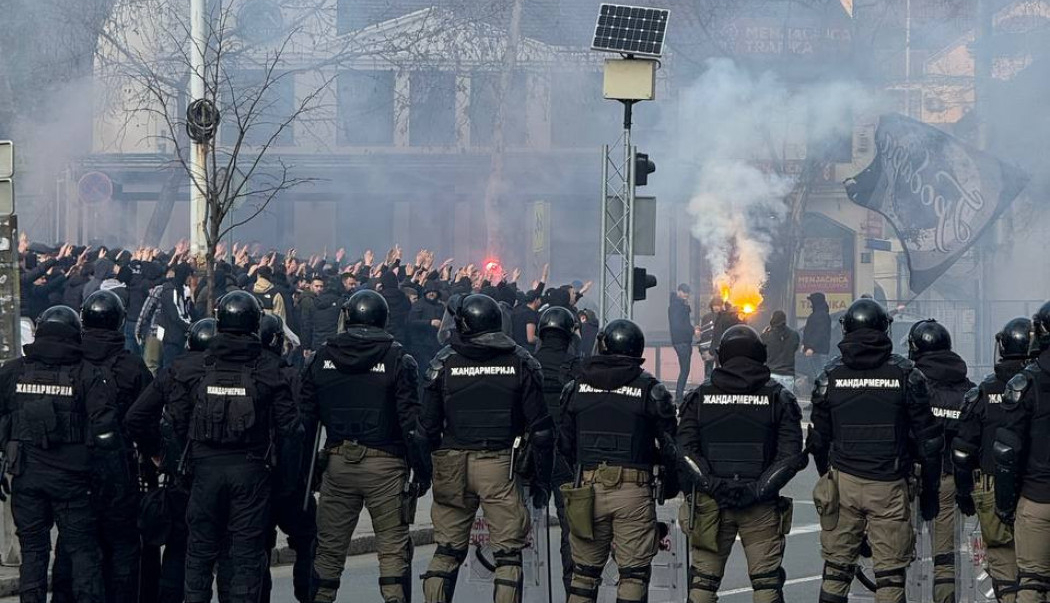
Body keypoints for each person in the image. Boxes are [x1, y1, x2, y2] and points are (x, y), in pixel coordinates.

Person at [165, 291, 301, 603]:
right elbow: (290, 430)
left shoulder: (194, 367)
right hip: (251, 474)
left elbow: (174, 421)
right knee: (245, 556)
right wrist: (284, 482)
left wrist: (180, 470)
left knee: (199, 553)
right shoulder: (270, 369)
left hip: (204, 471)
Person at [419, 294, 553, 603]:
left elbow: (424, 429)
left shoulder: (443, 361)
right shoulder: (520, 361)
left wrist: (426, 474)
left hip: (452, 462)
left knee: (447, 550)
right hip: (499, 464)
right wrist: (541, 481)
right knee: (507, 555)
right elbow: (543, 431)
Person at [808, 299, 942, 603]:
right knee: (890, 577)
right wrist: (930, 491)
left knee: (836, 571)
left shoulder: (830, 376)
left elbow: (817, 439)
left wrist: (827, 476)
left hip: (843, 482)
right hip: (889, 485)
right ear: (885, 329)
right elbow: (929, 441)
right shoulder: (907, 375)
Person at [302, 290, 425, 603]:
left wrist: (306, 473)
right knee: (393, 549)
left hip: (338, 462)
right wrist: (422, 471)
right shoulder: (398, 358)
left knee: (328, 552)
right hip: (386, 465)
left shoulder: (322, 356)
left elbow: (304, 421)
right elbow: (411, 424)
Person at [677, 325, 805, 602]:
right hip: (760, 504)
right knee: (766, 584)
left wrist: (712, 485)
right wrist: (758, 490)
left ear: (722, 356)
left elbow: (685, 451)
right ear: (759, 354)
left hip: (711, 504)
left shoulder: (699, 397)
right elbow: (790, 455)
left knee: (702, 583)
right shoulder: (778, 397)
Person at [0, 305, 119, 603]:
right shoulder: (88, 374)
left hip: (26, 477)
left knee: (33, 551)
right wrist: (104, 471)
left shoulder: (13, 371)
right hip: (73, 481)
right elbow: (105, 431)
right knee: (82, 552)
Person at [557, 319, 678, 603]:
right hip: (633, 490)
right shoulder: (650, 389)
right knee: (633, 574)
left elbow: (563, 444)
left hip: (587, 489)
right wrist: (668, 482)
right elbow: (672, 446)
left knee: (584, 575)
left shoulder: (576, 388)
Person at [51, 291, 153, 603]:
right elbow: (148, 419)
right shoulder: (133, 367)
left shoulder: (69, 361)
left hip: (72, 467)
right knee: (122, 545)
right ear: (120, 322)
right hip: (119, 469)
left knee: (73, 545)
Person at [125, 318, 217, 603]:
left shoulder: (174, 371)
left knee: (179, 548)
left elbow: (136, 417)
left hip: (182, 473)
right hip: (222, 471)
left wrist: (159, 454)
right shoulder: (231, 370)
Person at [953, 317, 1031, 602]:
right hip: (1037, 485)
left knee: (1002, 558)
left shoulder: (983, 393)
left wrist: (963, 492)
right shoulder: (1041, 388)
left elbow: (962, 450)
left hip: (991, 484)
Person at [252, 313, 316, 603]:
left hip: (255, 477)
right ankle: (307, 595)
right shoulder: (288, 375)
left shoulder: (243, 371)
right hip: (287, 478)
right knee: (308, 541)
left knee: (257, 549)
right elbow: (300, 427)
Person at [908, 319, 974, 603]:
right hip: (949, 478)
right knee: (944, 556)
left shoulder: (910, 383)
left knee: (895, 557)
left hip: (911, 477)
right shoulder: (968, 389)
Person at [994, 301, 1050, 602]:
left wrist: (1005, 503)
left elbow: (1007, 451)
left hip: (1037, 497)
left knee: (1031, 583)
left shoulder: (1025, 383)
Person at [533, 306, 581, 595]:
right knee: (571, 530)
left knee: (518, 532)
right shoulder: (576, 367)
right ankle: (572, 593)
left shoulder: (527, 363)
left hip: (531, 457)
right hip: (564, 455)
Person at [761, 310, 801, 393]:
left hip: (772, 374)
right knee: (786, 403)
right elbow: (795, 348)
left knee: (771, 403)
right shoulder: (794, 335)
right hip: (788, 375)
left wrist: (764, 334)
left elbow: (761, 351)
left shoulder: (766, 336)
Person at [669, 284, 694, 404]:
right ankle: (679, 397)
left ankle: (679, 396)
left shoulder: (677, 305)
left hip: (681, 341)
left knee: (684, 369)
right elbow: (679, 325)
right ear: (679, 291)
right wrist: (693, 330)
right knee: (685, 370)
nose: (686, 295)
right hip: (682, 341)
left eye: (687, 292)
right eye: (684, 292)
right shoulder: (677, 306)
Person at [802, 292, 832, 382]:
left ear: (816, 302)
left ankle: (824, 394)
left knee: (821, 376)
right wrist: (805, 345)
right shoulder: (819, 314)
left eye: (811, 302)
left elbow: (819, 333)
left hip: (818, 352)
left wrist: (811, 347)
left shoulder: (820, 315)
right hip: (817, 351)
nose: (810, 305)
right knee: (819, 376)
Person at [698, 298, 722, 379]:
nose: (716, 307)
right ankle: (707, 384)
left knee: (720, 367)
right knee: (708, 367)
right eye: (715, 305)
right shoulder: (706, 317)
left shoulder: (724, 317)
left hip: (720, 345)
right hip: (708, 345)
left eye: (718, 305)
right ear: (711, 306)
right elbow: (703, 331)